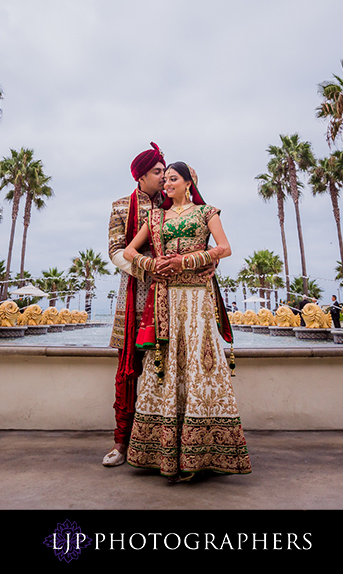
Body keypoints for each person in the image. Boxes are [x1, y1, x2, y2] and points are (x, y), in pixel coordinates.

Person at [123, 162, 251, 481]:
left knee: (196, 365)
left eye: (173, 179)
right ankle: (163, 453)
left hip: (197, 299)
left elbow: (225, 249)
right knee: (167, 365)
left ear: (189, 182)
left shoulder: (207, 212)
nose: (167, 184)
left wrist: (188, 260)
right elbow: (128, 252)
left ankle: (198, 455)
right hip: (166, 299)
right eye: (164, 179)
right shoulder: (156, 217)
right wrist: (151, 265)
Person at [102, 143, 167, 467]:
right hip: (134, 297)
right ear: (141, 176)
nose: (163, 177)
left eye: (164, 171)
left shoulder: (174, 206)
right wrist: (147, 265)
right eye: (157, 172)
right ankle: (121, 444)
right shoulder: (119, 207)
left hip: (169, 298)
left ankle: (160, 445)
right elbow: (115, 251)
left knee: (167, 371)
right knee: (128, 372)